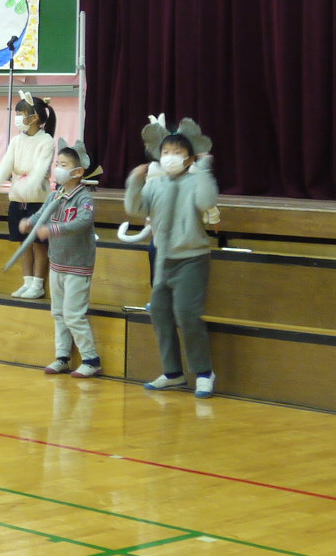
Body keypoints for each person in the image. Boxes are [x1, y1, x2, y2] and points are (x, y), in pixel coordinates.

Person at [123, 123, 221, 396]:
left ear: (189, 158)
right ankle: (173, 373)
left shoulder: (196, 179)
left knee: (188, 315)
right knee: (160, 314)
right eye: (166, 151)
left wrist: (202, 170)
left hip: (192, 259)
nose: (170, 156)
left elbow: (206, 201)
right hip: (164, 259)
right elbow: (134, 208)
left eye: (177, 152)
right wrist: (135, 181)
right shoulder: (156, 185)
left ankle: (204, 372)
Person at [28, 142, 102, 376]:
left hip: (78, 266)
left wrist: (53, 230)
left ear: (77, 172)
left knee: (73, 315)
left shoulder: (84, 198)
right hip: (57, 262)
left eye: (64, 165)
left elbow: (82, 223)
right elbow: (41, 215)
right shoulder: (55, 195)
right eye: (57, 164)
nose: (58, 168)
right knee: (58, 313)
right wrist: (29, 223)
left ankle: (91, 359)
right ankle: (62, 357)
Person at [0, 93, 57, 299]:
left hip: (37, 201)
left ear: (35, 117)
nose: (17, 117)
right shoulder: (17, 140)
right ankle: (27, 282)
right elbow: (6, 164)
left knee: (38, 244)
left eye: (21, 114)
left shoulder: (46, 141)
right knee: (23, 243)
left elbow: (39, 171)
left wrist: (27, 184)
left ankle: (38, 284)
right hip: (17, 200)